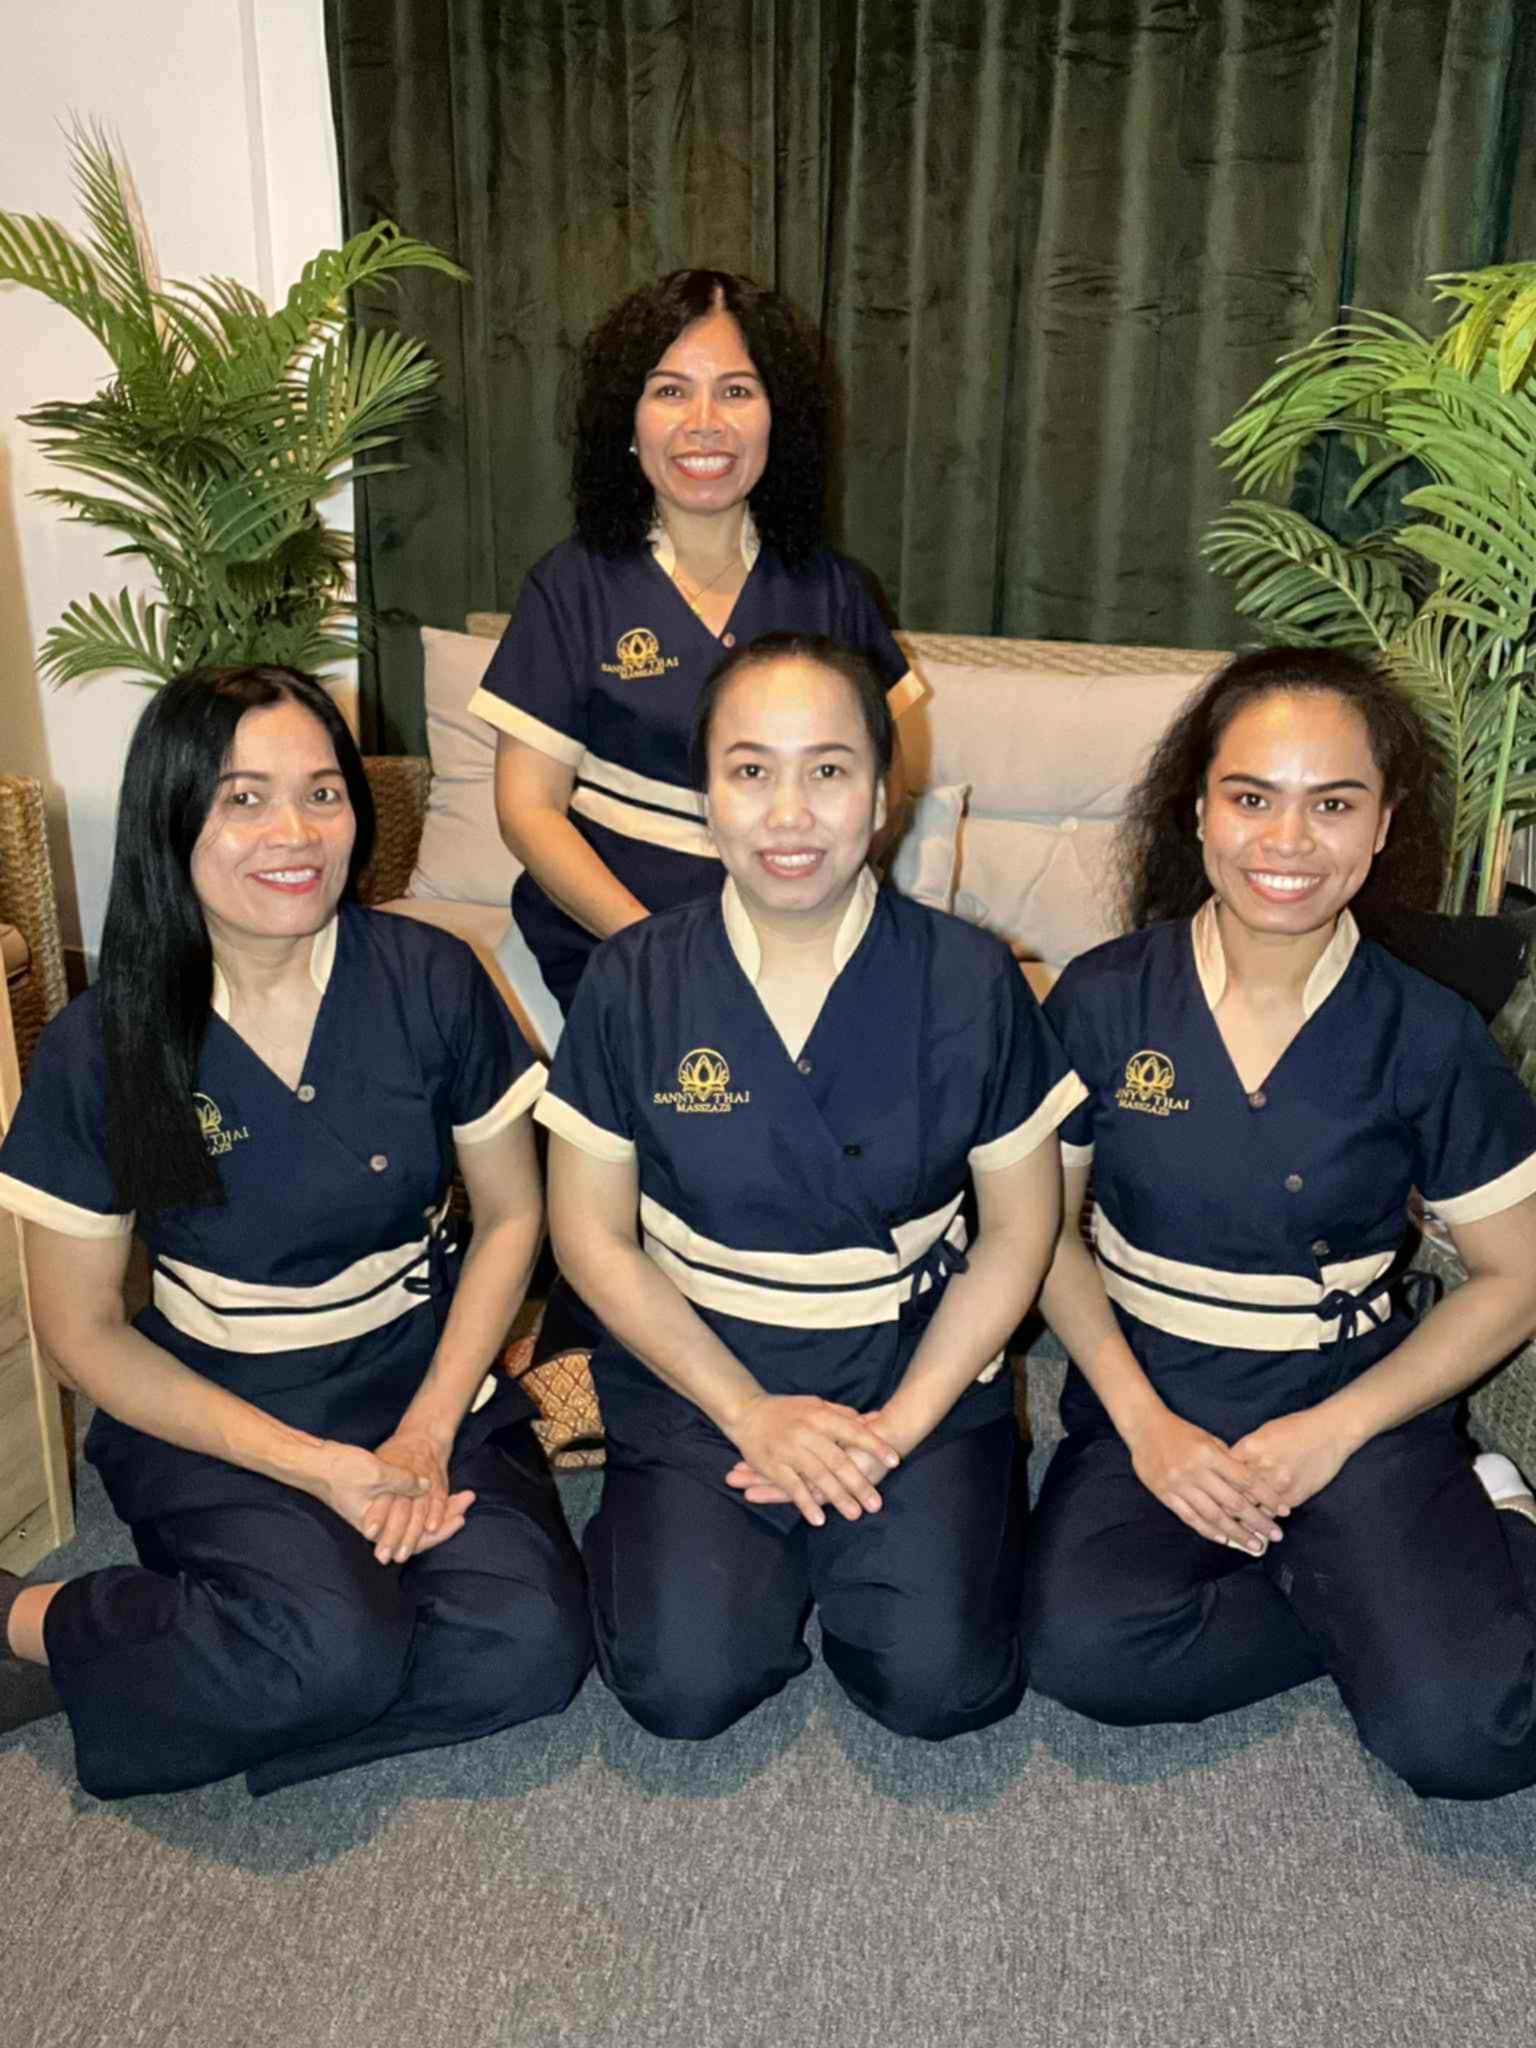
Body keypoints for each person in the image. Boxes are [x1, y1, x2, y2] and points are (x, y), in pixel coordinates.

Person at [0, 668, 591, 1799]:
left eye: (322, 793)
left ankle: (222, 1656)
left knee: (532, 1651)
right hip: (224, 1402)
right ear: (172, 816)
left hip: (420, 1375)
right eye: (244, 798)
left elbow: (515, 1216)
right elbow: (79, 1329)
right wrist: (314, 1470)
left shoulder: (430, 977)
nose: (296, 834)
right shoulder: (104, 1040)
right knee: (337, 1651)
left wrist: (423, 1437)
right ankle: (40, 1617)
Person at [536, 634, 1081, 1740]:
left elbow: (1021, 1232)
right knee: (683, 1686)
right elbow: (588, 1236)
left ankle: (891, 1521)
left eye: (828, 770)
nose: (789, 813)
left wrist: (892, 1432)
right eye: (751, 770)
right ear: (705, 797)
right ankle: (686, 1530)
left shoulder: (972, 977)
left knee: (940, 1688)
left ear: (881, 795)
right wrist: (747, 1413)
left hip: (913, 1361)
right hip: (701, 1362)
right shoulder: (633, 979)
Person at [1021, 646, 1536, 1800]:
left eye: (1333, 803)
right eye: (1252, 796)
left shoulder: (1427, 1032)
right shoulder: (1102, 998)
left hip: (1353, 1392)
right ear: (1198, 808)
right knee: (1084, 1649)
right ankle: (1374, 1603)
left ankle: (1494, 1520)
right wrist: (1146, 1426)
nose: (1287, 841)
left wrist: (1333, 1432)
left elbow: (1517, 1274)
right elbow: (1042, 1236)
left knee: (1467, 1737)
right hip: (1156, 1386)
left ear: (1382, 824)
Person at [471, 267, 922, 1018]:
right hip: (621, 950)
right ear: (628, 419)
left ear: (779, 418)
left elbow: (890, 780)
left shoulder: (833, 589)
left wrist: (808, 918)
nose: (705, 422)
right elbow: (528, 809)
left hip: (805, 943)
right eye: (671, 391)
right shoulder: (572, 586)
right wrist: (655, 951)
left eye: (736, 391)